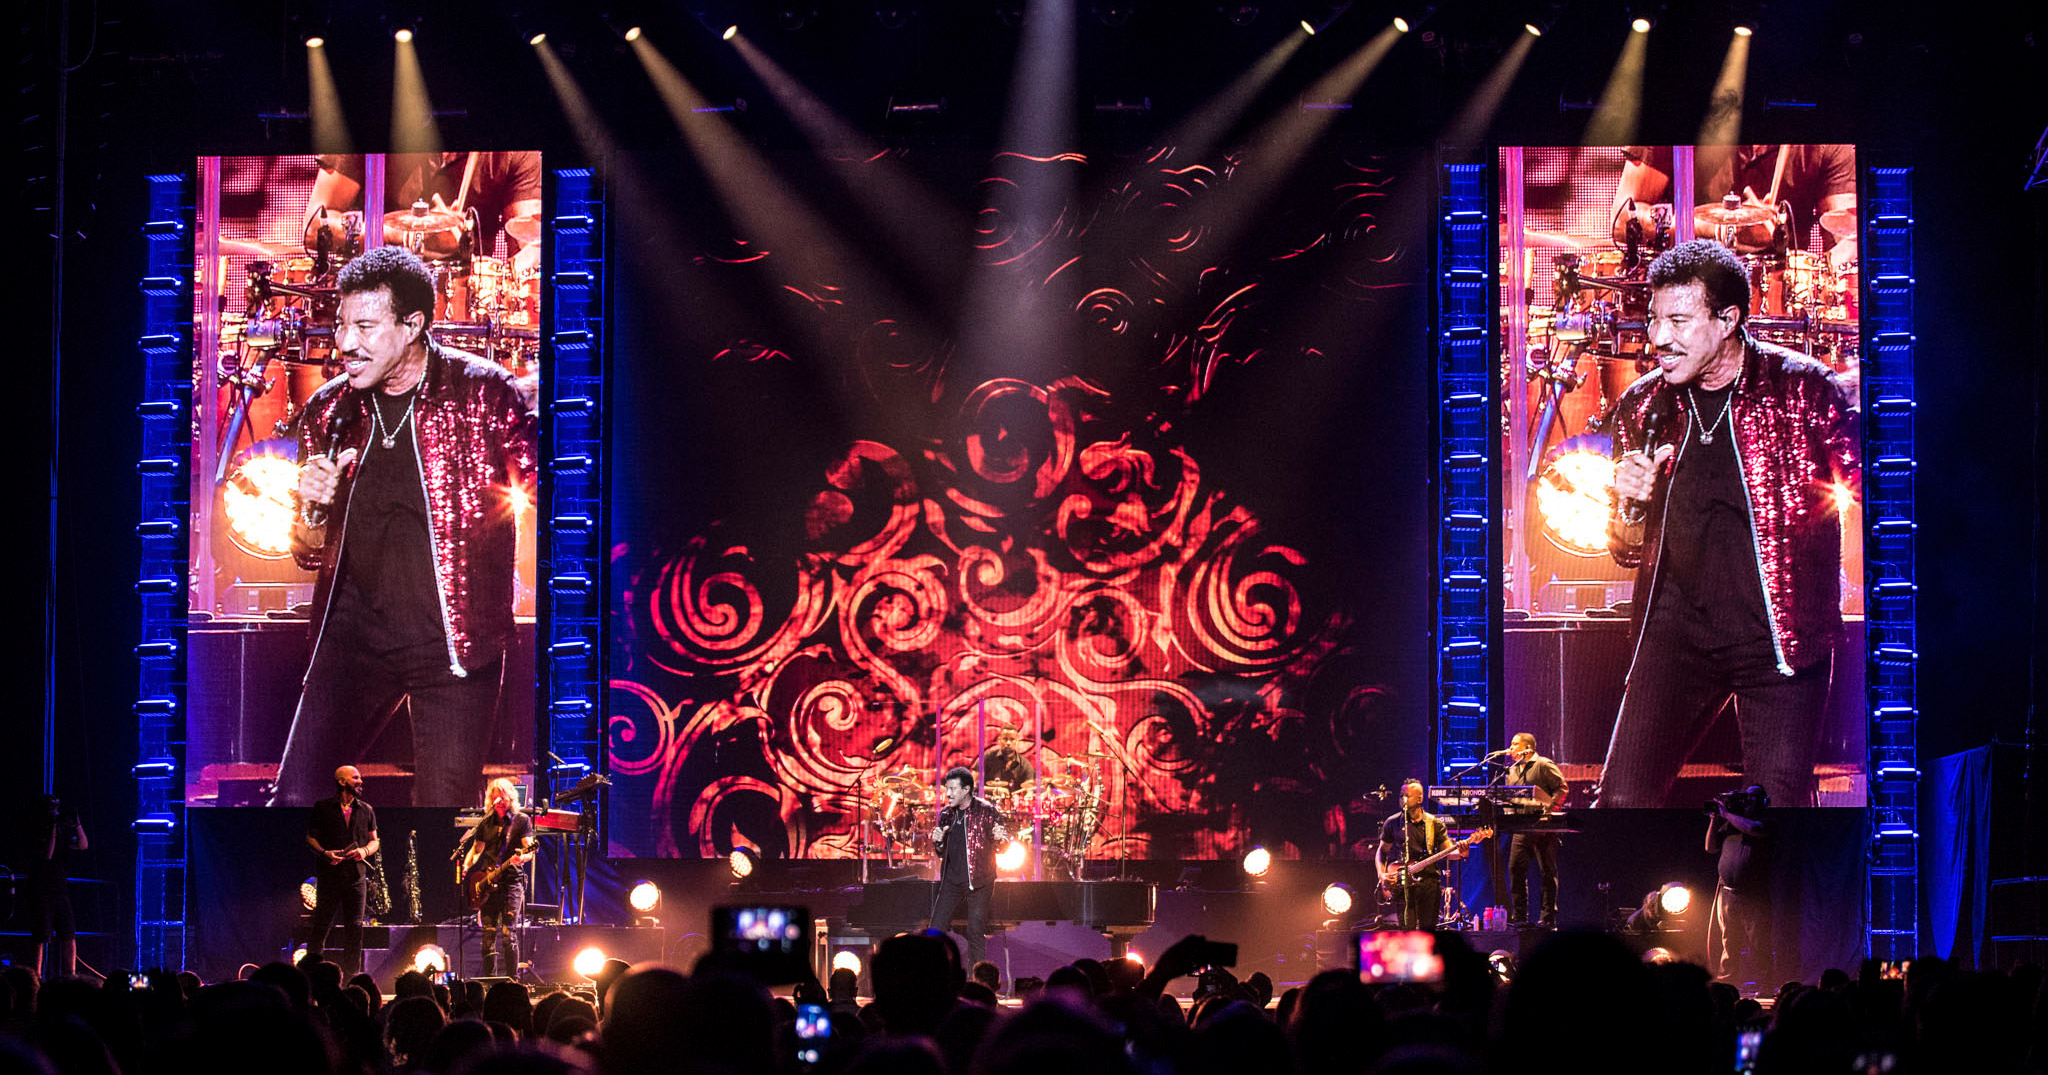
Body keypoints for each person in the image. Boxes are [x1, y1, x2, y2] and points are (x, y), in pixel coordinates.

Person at [270, 245, 538, 807]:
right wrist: (313, 510)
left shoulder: (481, 392)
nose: (345, 343)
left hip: (454, 646)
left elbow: (556, 493)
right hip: (353, 642)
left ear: (413, 325)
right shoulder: (329, 410)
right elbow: (308, 551)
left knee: (443, 820)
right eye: (342, 325)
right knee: (297, 800)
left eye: (365, 326)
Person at [1596, 239, 1859, 808]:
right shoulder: (1645, 405)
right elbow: (1624, 549)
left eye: (1680, 320)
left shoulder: (1801, 389)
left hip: (1779, 643)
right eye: (1654, 318)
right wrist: (1628, 506)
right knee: (1621, 803)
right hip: (1676, 639)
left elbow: (1875, 489)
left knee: (1772, 822)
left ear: (1728, 320)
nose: (1659, 337)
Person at [1612, 144, 1857, 265]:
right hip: (1684, 292)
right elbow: (1622, 221)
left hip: (1778, 309)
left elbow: (1848, 238)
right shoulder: (1678, 109)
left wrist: (1808, 269)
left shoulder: (1826, 139)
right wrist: (1708, 227)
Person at [306, 151, 543, 266]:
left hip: (465, 307)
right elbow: (314, 226)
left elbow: (532, 244)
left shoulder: (514, 149)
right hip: (376, 290)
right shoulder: (373, 121)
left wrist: (495, 271)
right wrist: (397, 235)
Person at [927, 766, 1012, 965]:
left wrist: (1002, 840)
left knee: (975, 931)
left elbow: (1004, 845)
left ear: (966, 790)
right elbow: (942, 852)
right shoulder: (946, 814)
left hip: (980, 881)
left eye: (953, 789)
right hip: (951, 881)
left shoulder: (986, 811)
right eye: (946, 788)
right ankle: (931, 979)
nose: (948, 794)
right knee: (935, 930)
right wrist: (938, 842)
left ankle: (978, 983)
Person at [455, 777, 535, 978]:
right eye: (494, 796)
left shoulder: (522, 821)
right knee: (488, 935)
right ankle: (489, 982)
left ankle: (512, 981)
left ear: (510, 798)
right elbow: (476, 849)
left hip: (511, 883)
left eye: (502, 796)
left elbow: (529, 850)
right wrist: (466, 866)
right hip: (487, 884)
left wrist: (522, 858)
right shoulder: (485, 823)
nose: (498, 800)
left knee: (509, 934)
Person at [306, 765, 380, 974]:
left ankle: (351, 979)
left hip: (356, 878)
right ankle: (312, 976)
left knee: (355, 929)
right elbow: (310, 837)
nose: (360, 781)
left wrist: (364, 851)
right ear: (342, 781)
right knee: (321, 926)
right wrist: (325, 853)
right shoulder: (323, 807)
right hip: (330, 877)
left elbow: (375, 841)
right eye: (355, 778)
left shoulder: (366, 809)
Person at [1705, 784, 1774, 988]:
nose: (1748, 801)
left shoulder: (1767, 822)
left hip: (1754, 896)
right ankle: (1727, 985)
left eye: (1754, 797)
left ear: (1764, 801)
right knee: (1729, 942)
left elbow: (1752, 829)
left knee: (1759, 943)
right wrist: (1714, 820)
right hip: (1727, 894)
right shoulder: (1731, 825)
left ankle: (1765, 987)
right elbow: (1710, 847)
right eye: (1747, 797)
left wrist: (1726, 814)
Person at [1376, 779, 1464, 930]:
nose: (1402, 799)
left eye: (1407, 796)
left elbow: (1449, 852)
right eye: (1401, 795)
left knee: (1428, 931)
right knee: (1406, 930)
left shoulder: (1434, 823)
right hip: (1403, 883)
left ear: (1419, 799)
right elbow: (1382, 851)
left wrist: (1462, 851)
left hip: (1429, 884)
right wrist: (1381, 874)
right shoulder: (1393, 822)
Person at [1501, 733, 1567, 928]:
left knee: (1547, 872)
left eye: (1515, 744)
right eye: (1510, 744)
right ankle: (1519, 917)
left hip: (1544, 827)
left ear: (1527, 747)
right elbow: (1509, 797)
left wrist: (1549, 811)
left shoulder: (1544, 764)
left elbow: (1562, 789)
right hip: (1521, 827)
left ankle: (1547, 918)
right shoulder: (1511, 770)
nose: (1510, 748)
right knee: (1515, 869)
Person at [29, 795, 87, 979]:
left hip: (60, 888)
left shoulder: (61, 831)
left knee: (68, 933)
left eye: (57, 808)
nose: (56, 812)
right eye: (52, 808)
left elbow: (83, 845)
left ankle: (70, 975)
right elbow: (48, 853)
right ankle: (36, 977)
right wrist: (53, 827)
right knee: (41, 935)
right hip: (41, 888)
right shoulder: (38, 830)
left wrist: (77, 825)